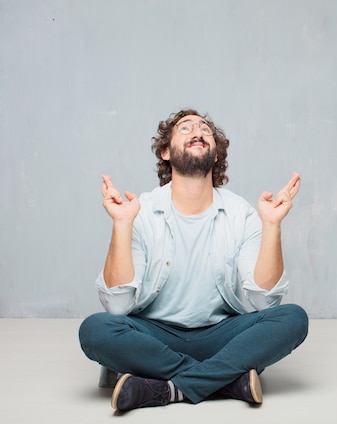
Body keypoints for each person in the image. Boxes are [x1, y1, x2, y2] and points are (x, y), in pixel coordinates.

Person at [79, 109, 308, 412]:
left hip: (221, 335)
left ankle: (166, 387)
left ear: (215, 156)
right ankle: (226, 379)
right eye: (185, 128)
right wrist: (122, 224)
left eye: (204, 129)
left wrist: (272, 226)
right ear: (165, 152)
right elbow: (118, 306)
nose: (197, 131)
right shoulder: (141, 212)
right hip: (154, 334)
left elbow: (265, 304)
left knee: (293, 319)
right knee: (95, 330)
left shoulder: (242, 214)